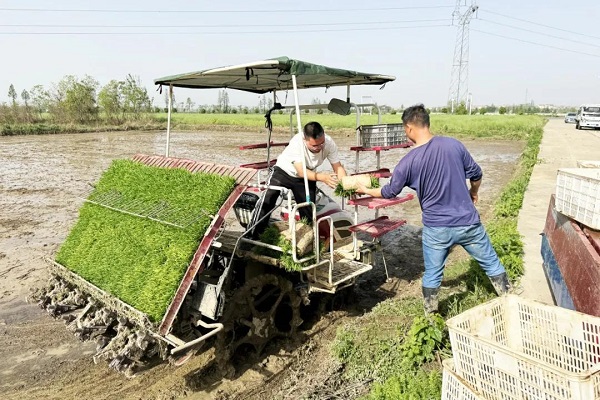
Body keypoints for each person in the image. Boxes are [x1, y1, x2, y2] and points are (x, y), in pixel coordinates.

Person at [356, 104, 510, 313]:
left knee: (432, 274)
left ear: (409, 128)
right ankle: (508, 301)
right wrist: (474, 192)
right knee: (491, 263)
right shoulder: (454, 145)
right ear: (427, 123)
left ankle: (431, 316)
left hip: (437, 229)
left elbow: (389, 192)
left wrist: (365, 189)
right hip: (468, 223)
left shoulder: (408, 161)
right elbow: (476, 174)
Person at [252, 121, 347, 237]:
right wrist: (323, 177)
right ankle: (254, 234)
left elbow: (338, 167)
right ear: (304, 139)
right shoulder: (297, 142)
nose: (319, 147)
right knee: (268, 198)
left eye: (321, 143)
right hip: (284, 171)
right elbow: (301, 171)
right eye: (314, 145)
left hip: (308, 174)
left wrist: (347, 185)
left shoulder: (329, 142)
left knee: (308, 209)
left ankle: (306, 239)